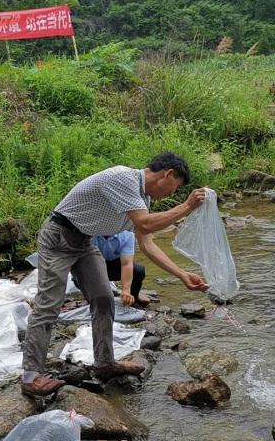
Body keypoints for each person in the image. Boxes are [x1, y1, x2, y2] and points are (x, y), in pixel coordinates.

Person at [21, 153, 208, 397]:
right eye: (176, 188)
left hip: (85, 241)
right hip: (58, 237)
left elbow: (148, 244)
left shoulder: (142, 199)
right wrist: (186, 206)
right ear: (168, 174)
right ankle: (30, 376)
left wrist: (182, 275)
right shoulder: (123, 178)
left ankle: (104, 363)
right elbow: (146, 224)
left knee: (103, 298)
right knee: (49, 305)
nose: (172, 194)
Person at [74, 231, 150, 307]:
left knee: (138, 270)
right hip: (94, 264)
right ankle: (89, 297)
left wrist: (126, 290)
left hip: (116, 265)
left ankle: (133, 297)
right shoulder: (88, 233)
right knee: (78, 271)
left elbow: (126, 264)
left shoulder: (127, 234)